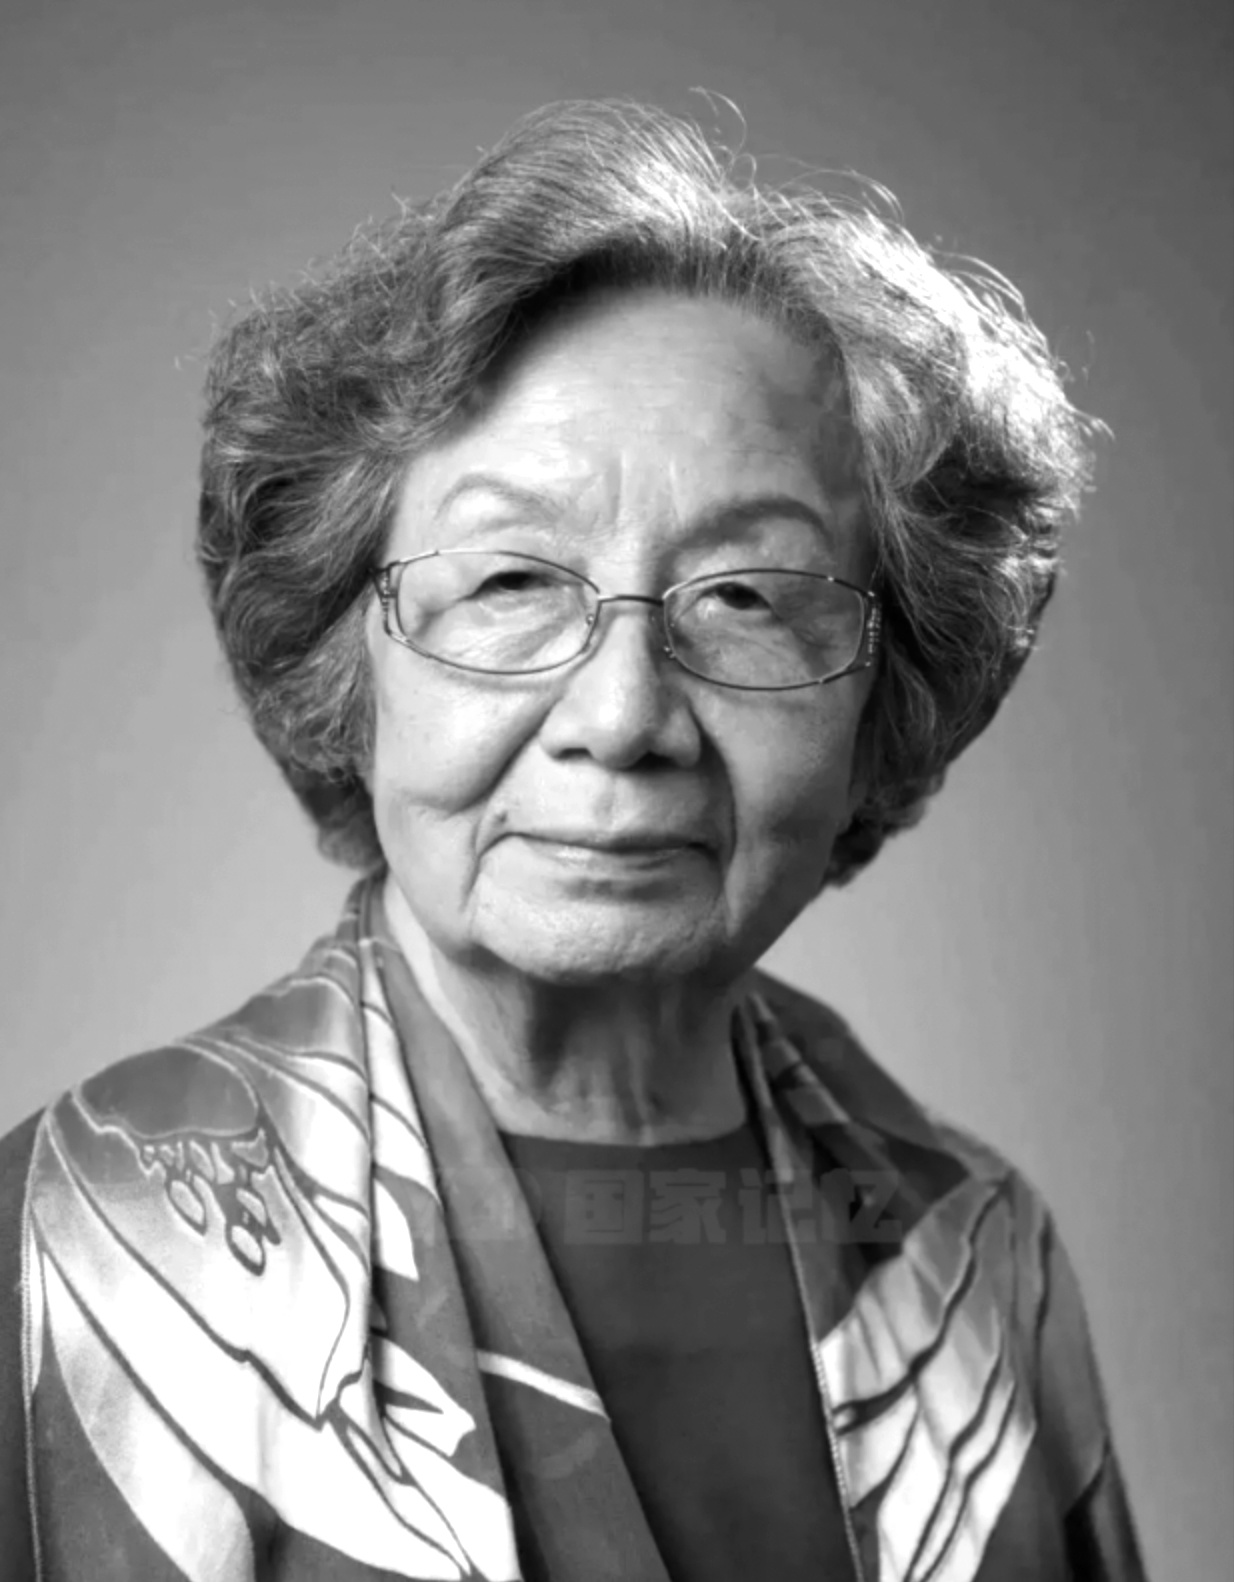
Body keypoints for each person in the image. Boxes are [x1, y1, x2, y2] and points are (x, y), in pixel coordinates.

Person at [0, 101, 1147, 1582]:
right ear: (349, 667)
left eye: (746, 596)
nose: (622, 717)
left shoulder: (982, 1258)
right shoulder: (70, 1245)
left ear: (886, 698)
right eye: (510, 582)